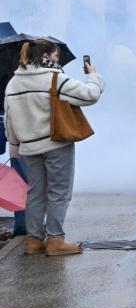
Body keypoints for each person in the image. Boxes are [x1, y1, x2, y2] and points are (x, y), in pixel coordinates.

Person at [4, 40, 105, 256]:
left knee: (35, 193)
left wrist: (14, 146)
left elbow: (9, 120)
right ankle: (55, 240)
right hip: (55, 143)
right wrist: (93, 76)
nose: (58, 61)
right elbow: (90, 95)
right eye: (57, 56)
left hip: (29, 147)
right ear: (48, 56)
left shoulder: (13, 83)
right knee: (59, 192)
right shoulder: (54, 78)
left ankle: (33, 240)